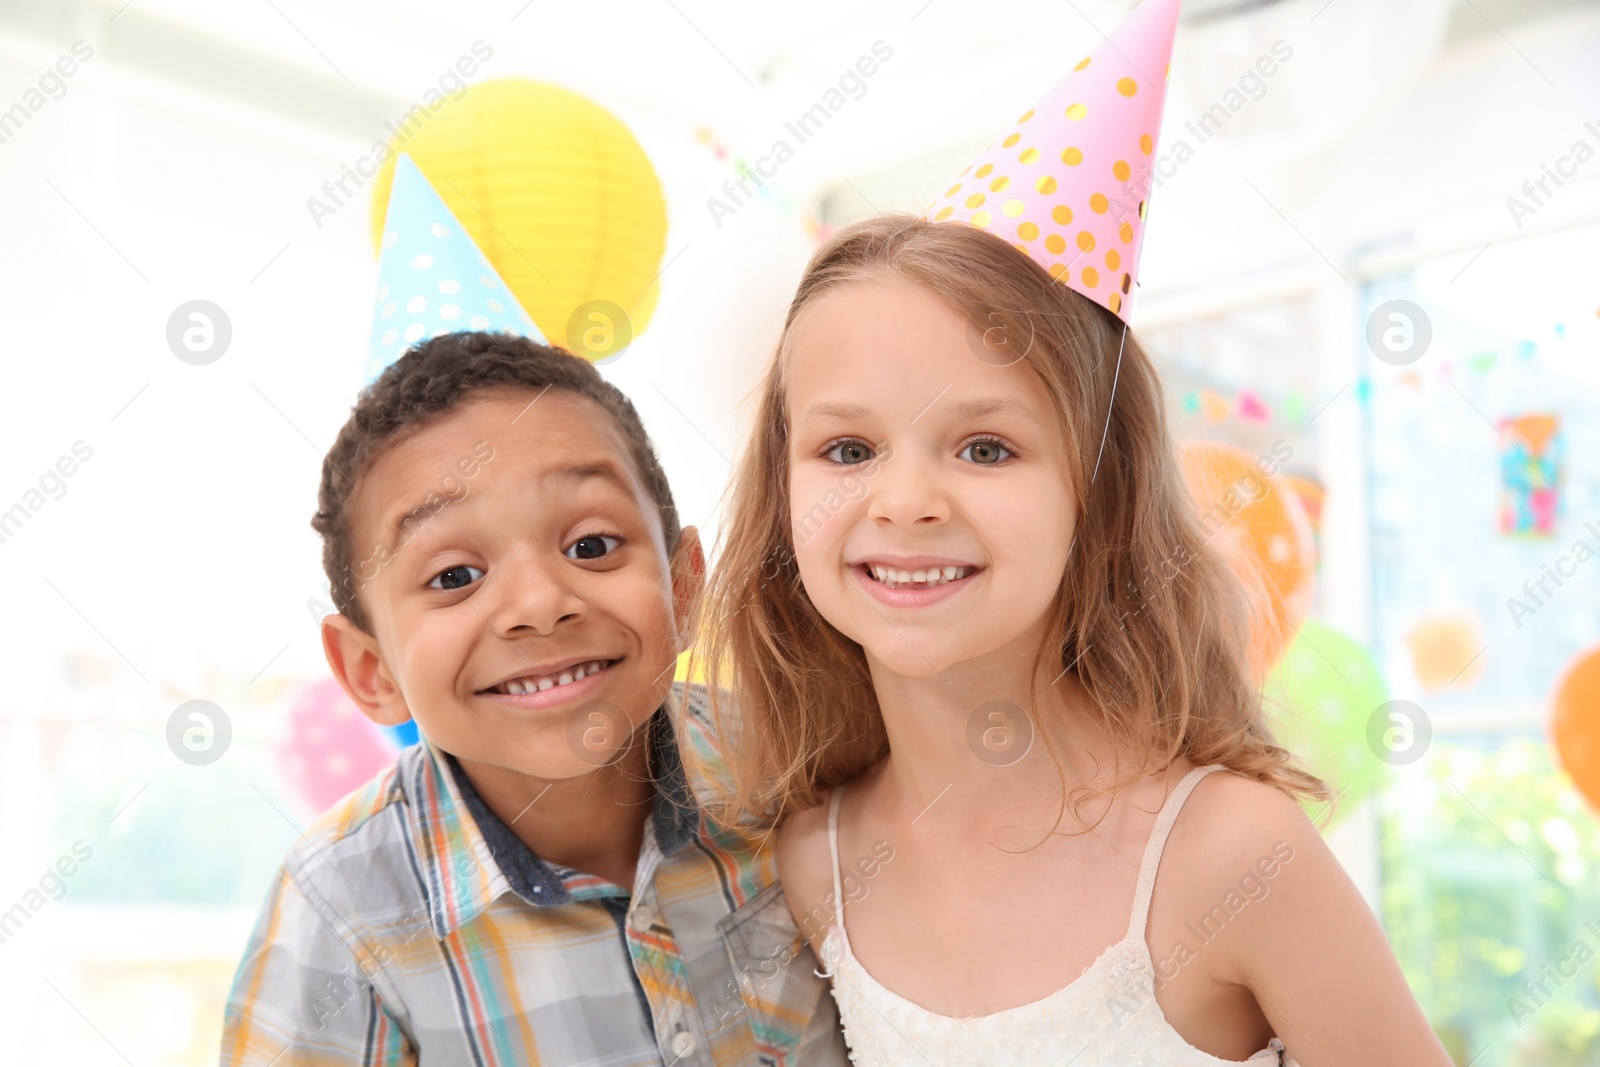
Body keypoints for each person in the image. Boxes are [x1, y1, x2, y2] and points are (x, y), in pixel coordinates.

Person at [697, 1, 1453, 1062]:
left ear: (1098, 497)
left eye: (985, 448)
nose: (904, 500)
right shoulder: (808, 866)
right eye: (847, 449)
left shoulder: (1230, 853)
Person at [220, 331, 847, 1066]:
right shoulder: (339, 916)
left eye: (591, 545)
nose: (541, 604)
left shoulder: (797, 764)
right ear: (371, 670)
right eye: (455, 575)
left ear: (681, 589)